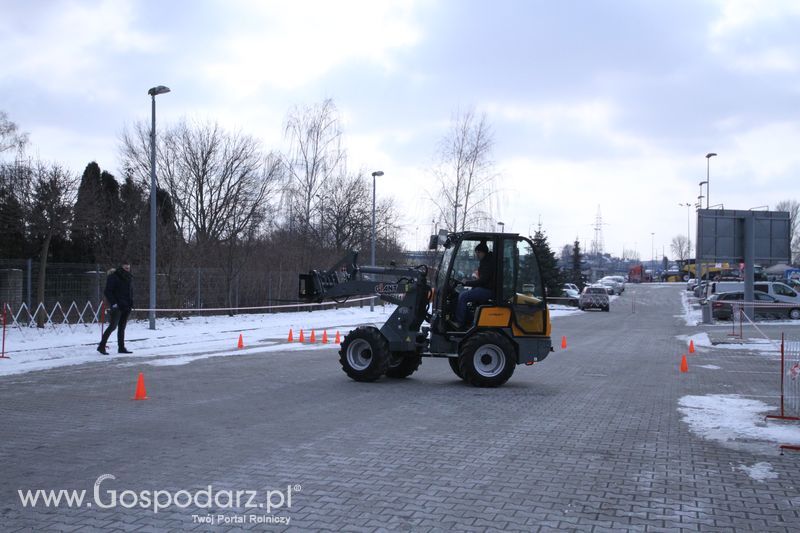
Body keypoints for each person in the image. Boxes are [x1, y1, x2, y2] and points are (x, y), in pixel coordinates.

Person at [453, 242, 495, 329]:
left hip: (488, 290)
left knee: (463, 296)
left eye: (478, 252)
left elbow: (482, 281)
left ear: (484, 252)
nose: (477, 254)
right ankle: (469, 319)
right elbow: (482, 279)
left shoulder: (488, 263)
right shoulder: (485, 261)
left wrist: (467, 282)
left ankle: (459, 322)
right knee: (461, 294)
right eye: (476, 252)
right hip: (485, 287)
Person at [98, 262, 134, 355]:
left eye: (128, 268)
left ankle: (121, 347)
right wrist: (114, 303)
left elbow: (129, 292)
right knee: (112, 326)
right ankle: (101, 346)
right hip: (117, 306)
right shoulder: (114, 277)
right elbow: (107, 291)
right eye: (125, 267)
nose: (127, 269)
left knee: (122, 327)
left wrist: (131, 303)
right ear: (121, 267)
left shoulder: (128, 277)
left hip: (126, 306)